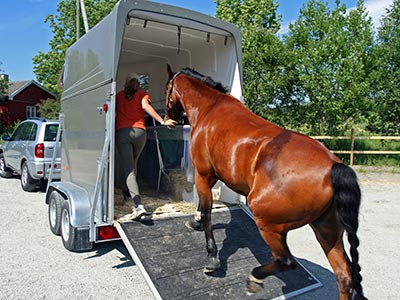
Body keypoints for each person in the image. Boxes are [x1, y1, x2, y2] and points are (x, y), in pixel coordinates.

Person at [116, 72, 176, 219]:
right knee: (133, 165)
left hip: (123, 133)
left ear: (126, 83)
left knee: (128, 168)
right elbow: (146, 108)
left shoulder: (118, 96)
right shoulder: (142, 94)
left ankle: (137, 205)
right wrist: (162, 121)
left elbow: (113, 113)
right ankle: (127, 192)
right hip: (140, 133)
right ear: (138, 83)